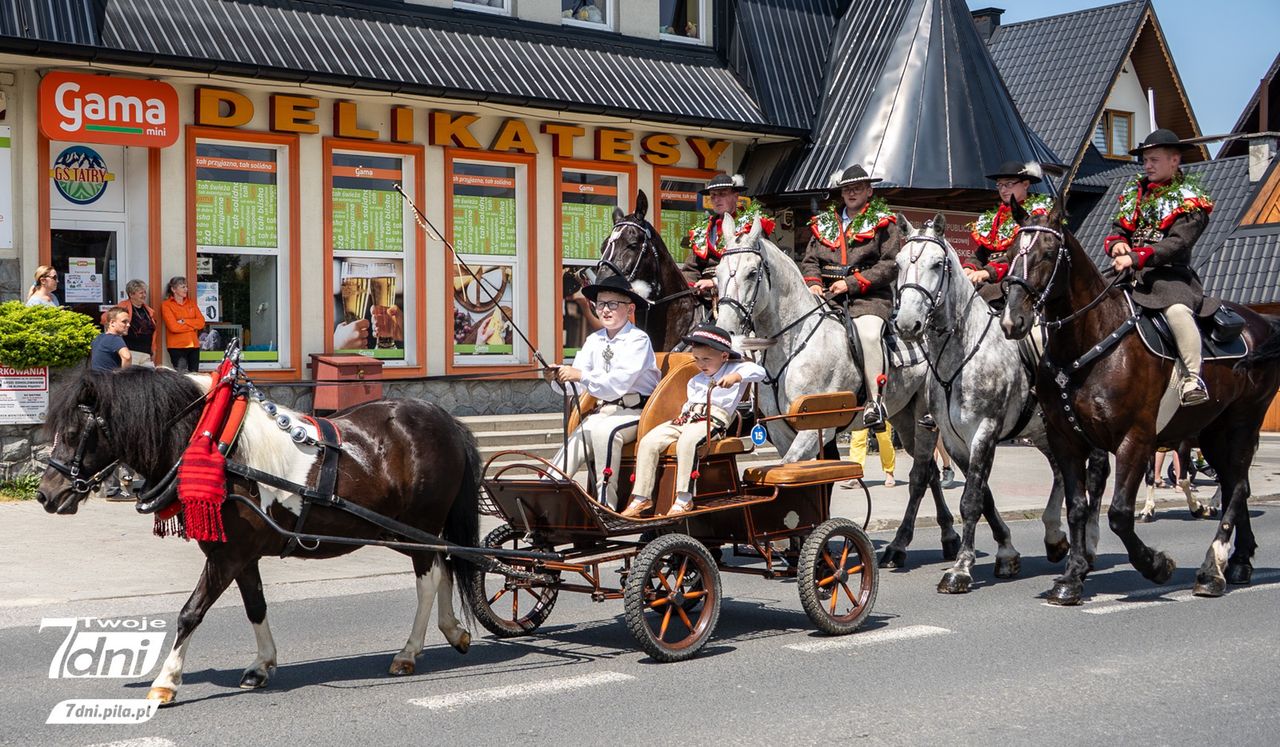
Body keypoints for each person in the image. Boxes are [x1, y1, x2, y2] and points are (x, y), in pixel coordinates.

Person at [1105, 128, 1215, 405]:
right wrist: (1117, 244)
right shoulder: (1136, 194)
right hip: (1128, 274)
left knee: (1177, 312)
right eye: (1145, 161)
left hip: (1170, 276)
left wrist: (1135, 257)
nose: (1147, 166)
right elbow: (1118, 229)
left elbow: (1178, 244)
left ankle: (1193, 378)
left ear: (1174, 160)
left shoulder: (1191, 201)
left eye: (1154, 160)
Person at [621, 324, 766, 517]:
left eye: (706, 359)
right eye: (697, 359)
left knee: (688, 441)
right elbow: (689, 405)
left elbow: (759, 372)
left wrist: (736, 377)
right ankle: (642, 497)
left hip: (713, 420)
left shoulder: (735, 368)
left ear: (724, 356)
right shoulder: (696, 380)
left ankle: (684, 498)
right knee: (649, 441)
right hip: (687, 418)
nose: (701, 364)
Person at [546, 276, 661, 509]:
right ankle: (547, 491)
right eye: (600, 304)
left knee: (604, 432)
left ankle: (605, 504)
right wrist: (558, 378)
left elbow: (617, 384)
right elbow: (577, 387)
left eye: (612, 304)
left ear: (630, 309)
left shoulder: (638, 340)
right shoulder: (593, 340)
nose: (605, 310)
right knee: (579, 435)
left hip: (638, 412)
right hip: (605, 411)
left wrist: (579, 375)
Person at [800, 164, 899, 429]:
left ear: (869, 191)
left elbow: (890, 265)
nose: (851, 193)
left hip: (869, 298)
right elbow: (810, 261)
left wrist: (851, 283)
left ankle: (875, 403)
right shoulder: (824, 223)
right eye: (846, 189)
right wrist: (813, 283)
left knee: (868, 335)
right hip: (827, 297)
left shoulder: (885, 222)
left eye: (857, 188)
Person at [964, 161, 1054, 306]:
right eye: (1000, 185)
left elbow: (1022, 254)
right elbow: (983, 251)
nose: (1003, 190)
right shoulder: (996, 217)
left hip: (1017, 279)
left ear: (1025, 184)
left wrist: (988, 272)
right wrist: (970, 267)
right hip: (991, 279)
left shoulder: (1035, 216)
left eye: (1009, 184)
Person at [683, 173, 776, 306]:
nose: (716, 199)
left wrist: (715, 282)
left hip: (740, 298)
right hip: (706, 299)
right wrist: (692, 287)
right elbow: (690, 269)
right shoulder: (703, 230)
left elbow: (755, 269)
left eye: (722, 194)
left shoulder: (751, 227)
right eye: (713, 195)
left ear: (735, 196)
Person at [161, 276, 207, 372]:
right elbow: (174, 327)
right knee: (182, 376)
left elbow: (201, 323)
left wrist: (184, 321)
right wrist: (193, 326)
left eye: (186, 287)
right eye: (183, 287)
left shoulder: (191, 303)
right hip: (177, 346)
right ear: (173, 289)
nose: (186, 289)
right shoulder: (166, 305)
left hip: (194, 345)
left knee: (194, 375)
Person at [108, 279, 157, 367]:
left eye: (145, 292)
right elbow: (106, 318)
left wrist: (153, 351)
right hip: (131, 352)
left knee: (150, 374)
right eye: (141, 293)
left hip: (146, 353)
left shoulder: (148, 311)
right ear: (131, 294)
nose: (144, 295)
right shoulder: (123, 307)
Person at [847, 422, 896, 488]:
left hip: (881, 415)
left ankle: (889, 472)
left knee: (884, 439)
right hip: (859, 415)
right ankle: (855, 476)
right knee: (857, 439)